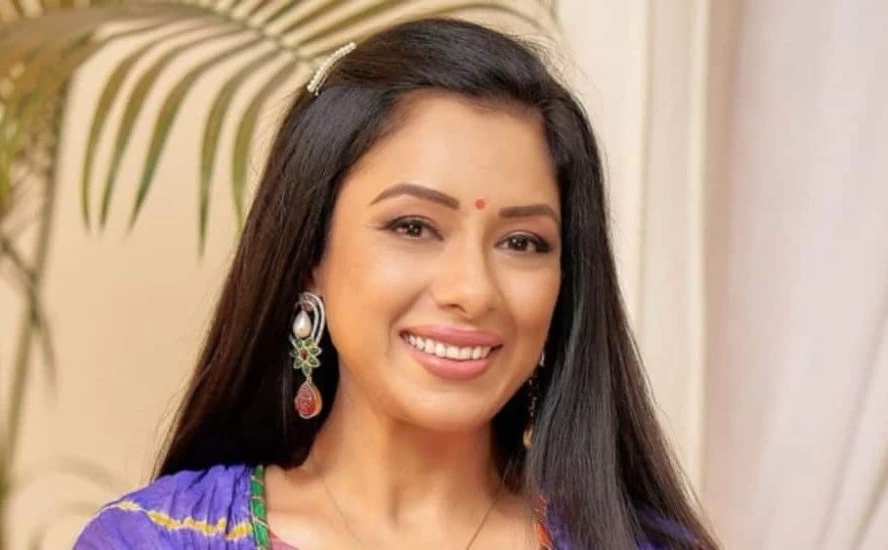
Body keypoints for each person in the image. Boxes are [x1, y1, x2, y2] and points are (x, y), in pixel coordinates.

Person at [74, 17, 717, 550]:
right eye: (413, 227)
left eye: (522, 242)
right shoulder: (155, 539)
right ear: (310, 253)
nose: (473, 290)